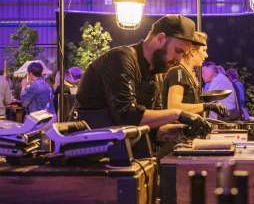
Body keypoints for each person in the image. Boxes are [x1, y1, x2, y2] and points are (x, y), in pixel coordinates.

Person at [74, 14, 210, 134]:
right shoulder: (121, 59)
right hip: (90, 150)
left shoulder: (155, 74)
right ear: (160, 39)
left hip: (122, 149)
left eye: (183, 54)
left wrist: (184, 131)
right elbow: (127, 116)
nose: (179, 60)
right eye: (178, 51)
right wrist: (178, 113)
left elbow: (153, 128)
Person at [162, 31, 227, 117]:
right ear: (192, 51)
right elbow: (174, 107)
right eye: (204, 50)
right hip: (176, 126)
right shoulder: (178, 72)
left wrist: (209, 104)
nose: (206, 55)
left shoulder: (189, 74)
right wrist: (206, 106)